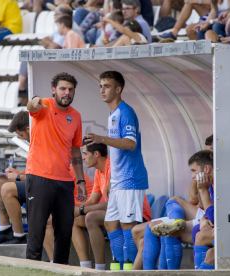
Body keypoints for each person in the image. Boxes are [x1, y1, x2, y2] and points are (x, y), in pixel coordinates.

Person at [85, 71, 148, 270]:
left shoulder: (125, 112)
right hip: (119, 181)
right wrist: (111, 178)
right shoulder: (112, 113)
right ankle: (119, 266)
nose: (102, 90)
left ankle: (128, 269)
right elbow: (116, 152)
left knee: (128, 226)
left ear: (118, 89)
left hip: (130, 180)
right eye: (101, 86)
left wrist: (102, 139)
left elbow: (130, 144)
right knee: (111, 224)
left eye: (107, 86)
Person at [25, 72, 87, 264]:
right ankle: (31, 269)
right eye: (62, 89)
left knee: (64, 232)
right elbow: (31, 106)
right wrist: (34, 101)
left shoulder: (76, 116)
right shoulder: (43, 105)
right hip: (39, 177)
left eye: (70, 89)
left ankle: (61, 269)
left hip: (65, 182)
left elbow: (76, 152)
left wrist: (81, 181)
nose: (66, 92)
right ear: (54, 90)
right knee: (37, 230)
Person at [130, 134, 213, 270]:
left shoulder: (219, 176)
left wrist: (203, 193)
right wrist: (197, 183)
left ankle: (158, 271)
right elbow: (193, 199)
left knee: (158, 229)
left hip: (209, 220)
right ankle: (175, 221)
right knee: (158, 223)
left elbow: (213, 214)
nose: (211, 154)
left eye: (213, 150)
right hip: (203, 215)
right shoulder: (206, 176)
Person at [71, 139, 152, 270]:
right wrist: (72, 210)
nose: (83, 157)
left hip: (137, 216)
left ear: (96, 154)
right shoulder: (98, 172)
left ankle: (99, 268)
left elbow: (112, 204)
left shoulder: (114, 168)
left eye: (85, 153)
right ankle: (85, 266)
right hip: (118, 213)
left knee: (90, 217)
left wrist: (81, 209)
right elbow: (92, 200)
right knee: (73, 220)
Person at [0, 111, 31, 244]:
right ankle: (5, 229)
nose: (22, 138)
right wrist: (18, 173)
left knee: (8, 188)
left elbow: (43, 175)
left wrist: (19, 178)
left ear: (28, 129)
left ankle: (19, 236)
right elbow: (34, 170)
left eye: (21, 135)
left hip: (42, 184)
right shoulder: (34, 142)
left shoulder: (41, 142)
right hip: (33, 179)